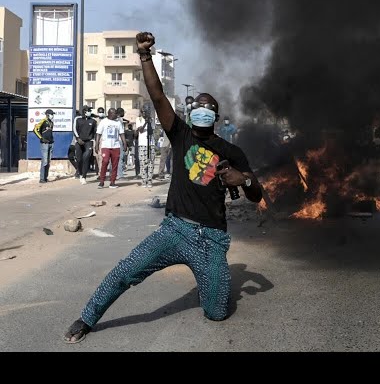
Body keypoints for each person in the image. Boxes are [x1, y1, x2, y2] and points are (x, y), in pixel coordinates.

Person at [63, 32, 263, 344]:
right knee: (125, 271)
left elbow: (257, 194)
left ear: (216, 116)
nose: (202, 110)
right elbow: (157, 96)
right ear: (191, 112)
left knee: (217, 311)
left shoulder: (232, 151)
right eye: (198, 106)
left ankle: (208, 282)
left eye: (208, 108)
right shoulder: (180, 133)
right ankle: (87, 318)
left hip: (211, 239)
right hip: (174, 229)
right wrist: (144, 55)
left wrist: (245, 179)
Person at [95, 108, 127, 189]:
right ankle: (102, 181)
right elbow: (98, 133)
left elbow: (121, 133)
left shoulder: (118, 123)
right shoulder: (103, 122)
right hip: (105, 146)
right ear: (110, 114)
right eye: (114, 113)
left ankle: (112, 182)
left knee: (115, 164)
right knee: (105, 162)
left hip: (116, 146)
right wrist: (96, 144)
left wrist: (124, 143)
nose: (116, 115)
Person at [73, 106, 98, 185]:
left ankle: (84, 176)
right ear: (84, 111)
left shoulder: (93, 121)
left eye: (90, 110)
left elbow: (95, 132)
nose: (90, 112)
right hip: (79, 141)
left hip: (89, 142)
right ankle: (80, 173)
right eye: (89, 110)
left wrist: (94, 141)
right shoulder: (78, 119)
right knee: (79, 159)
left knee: (86, 158)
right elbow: (74, 129)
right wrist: (78, 138)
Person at [136, 105, 155, 187]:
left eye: (146, 112)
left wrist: (149, 122)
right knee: (143, 163)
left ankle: (150, 180)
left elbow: (151, 131)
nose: (144, 113)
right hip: (142, 144)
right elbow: (140, 130)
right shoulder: (139, 119)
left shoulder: (152, 120)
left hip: (151, 144)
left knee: (151, 162)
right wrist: (145, 122)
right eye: (143, 112)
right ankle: (144, 180)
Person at [34, 109, 55, 184]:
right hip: (44, 144)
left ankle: (45, 177)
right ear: (47, 114)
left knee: (48, 161)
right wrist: (41, 138)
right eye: (51, 114)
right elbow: (35, 129)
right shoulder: (43, 121)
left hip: (51, 143)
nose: (53, 116)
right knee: (44, 161)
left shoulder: (51, 123)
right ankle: (42, 178)